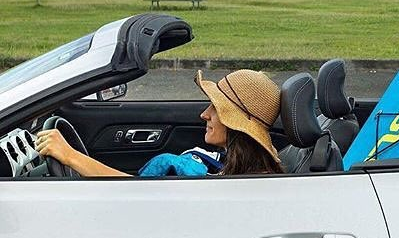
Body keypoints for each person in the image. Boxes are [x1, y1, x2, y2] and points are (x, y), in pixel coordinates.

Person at [34, 69, 284, 177]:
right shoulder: (230, 167)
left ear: (236, 125)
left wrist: (69, 156)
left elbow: (136, 194)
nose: (204, 115)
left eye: (216, 109)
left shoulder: (230, 184)